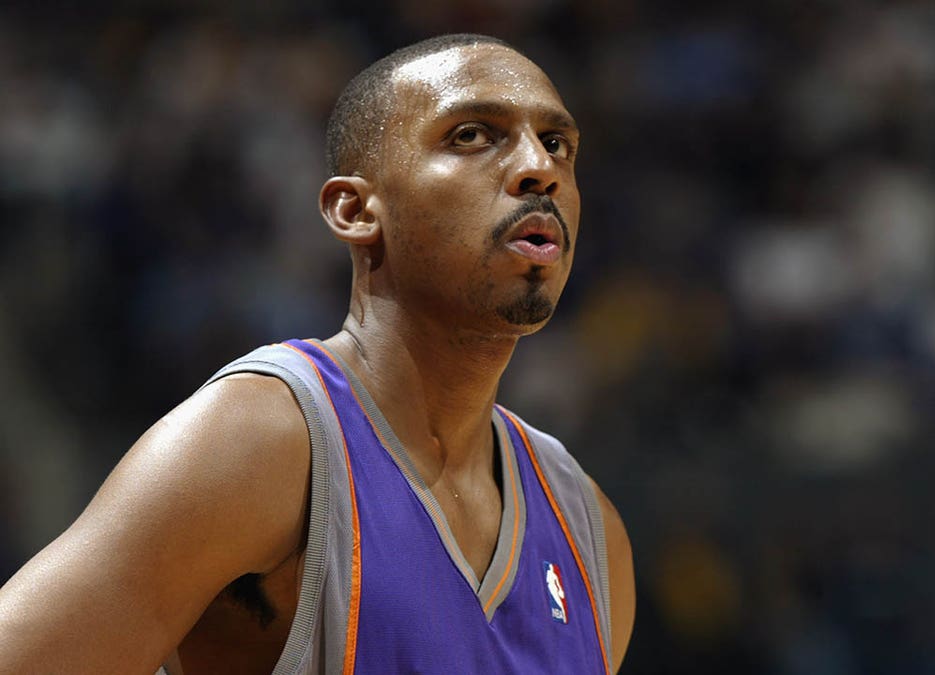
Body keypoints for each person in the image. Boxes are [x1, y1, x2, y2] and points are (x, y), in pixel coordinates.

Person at [0, 33, 635, 674]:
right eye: (472, 136)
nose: (540, 168)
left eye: (557, 144)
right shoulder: (257, 445)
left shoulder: (588, 529)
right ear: (355, 210)